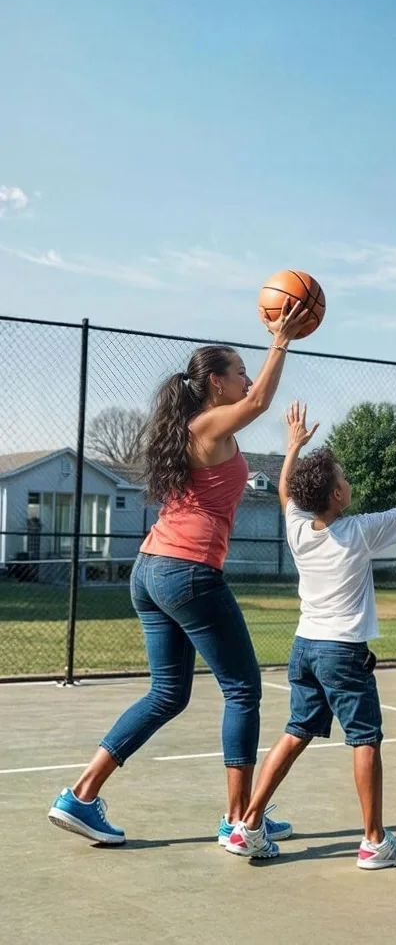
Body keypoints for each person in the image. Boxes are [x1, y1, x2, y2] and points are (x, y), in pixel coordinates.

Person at [48, 297, 311, 846]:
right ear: (215, 382)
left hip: (152, 569)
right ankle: (240, 820)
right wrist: (281, 340)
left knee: (168, 694)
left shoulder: (199, 427)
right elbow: (260, 400)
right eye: (238, 371)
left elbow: (253, 403)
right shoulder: (209, 423)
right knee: (243, 688)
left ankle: (80, 796)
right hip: (187, 571)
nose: (247, 380)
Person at [225, 401, 396, 868]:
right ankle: (374, 842)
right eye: (343, 478)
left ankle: (247, 827)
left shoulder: (299, 528)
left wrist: (292, 447)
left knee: (297, 731)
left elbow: (284, 490)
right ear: (337, 495)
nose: (347, 481)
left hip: (305, 648)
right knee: (365, 738)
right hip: (342, 651)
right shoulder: (358, 530)